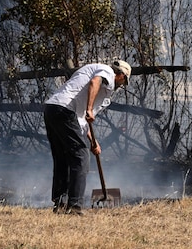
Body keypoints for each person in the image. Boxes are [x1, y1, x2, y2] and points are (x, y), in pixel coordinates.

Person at [43, 60, 131, 215]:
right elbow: (94, 82)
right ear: (121, 75)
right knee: (81, 156)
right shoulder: (106, 72)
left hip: (52, 108)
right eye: (124, 81)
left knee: (62, 158)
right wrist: (90, 109)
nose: (122, 85)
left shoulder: (96, 77)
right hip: (65, 110)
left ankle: (60, 204)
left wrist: (93, 142)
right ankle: (74, 206)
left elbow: (82, 122)